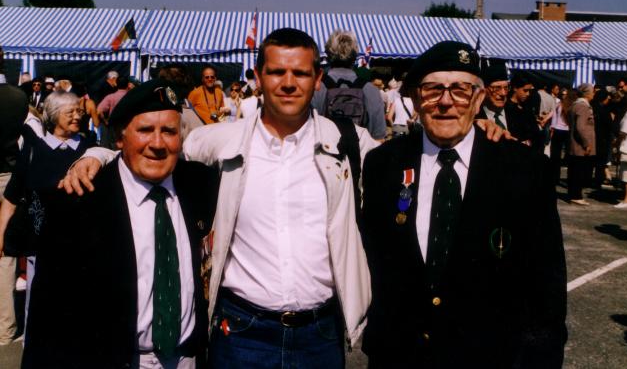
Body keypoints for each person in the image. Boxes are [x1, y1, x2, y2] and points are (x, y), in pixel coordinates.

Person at [63, 28, 377, 369]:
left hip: (321, 335)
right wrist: (97, 155)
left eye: (300, 73)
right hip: (242, 333)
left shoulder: (349, 144)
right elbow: (157, 152)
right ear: (258, 77)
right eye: (276, 72)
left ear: (317, 78)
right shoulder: (220, 141)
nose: (288, 83)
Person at [359, 41, 567, 368]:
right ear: (414, 98)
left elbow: (546, 289)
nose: (445, 102)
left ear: (480, 99)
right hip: (400, 358)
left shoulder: (524, 169)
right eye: (432, 90)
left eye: (461, 91)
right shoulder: (382, 165)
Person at [21, 79, 219, 368]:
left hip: (188, 358)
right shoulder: (78, 202)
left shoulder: (200, 184)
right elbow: (48, 315)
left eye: (169, 131)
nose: (157, 143)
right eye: (145, 130)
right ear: (119, 137)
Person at [0, 91, 93, 340]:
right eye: (70, 112)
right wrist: (0, 235)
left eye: (79, 111)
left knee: (76, 310)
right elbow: (10, 198)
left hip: (80, 246)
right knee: (38, 309)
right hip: (39, 246)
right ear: (53, 116)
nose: (77, 116)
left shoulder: (89, 151)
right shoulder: (33, 151)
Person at [311, 29, 387, 141]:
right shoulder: (371, 91)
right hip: (362, 155)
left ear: (327, 54)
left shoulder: (316, 89)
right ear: (355, 56)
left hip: (324, 155)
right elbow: (379, 138)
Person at [0, 84, 28, 346]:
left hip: (9, 176)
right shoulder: (18, 97)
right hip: (8, 175)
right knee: (5, 256)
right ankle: (5, 329)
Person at [567, 84, 597, 206]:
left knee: (574, 170)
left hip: (575, 143)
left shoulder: (575, 105)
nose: (594, 94)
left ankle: (574, 194)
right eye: (593, 91)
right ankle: (576, 196)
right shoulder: (583, 106)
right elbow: (580, 127)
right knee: (578, 171)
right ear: (587, 94)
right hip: (580, 145)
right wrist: (586, 143)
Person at [550, 89, 577, 184]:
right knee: (569, 155)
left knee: (555, 156)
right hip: (568, 131)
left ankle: (555, 178)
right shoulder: (573, 106)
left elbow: (554, 117)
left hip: (558, 130)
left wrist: (552, 127)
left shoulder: (559, 104)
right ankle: (570, 179)